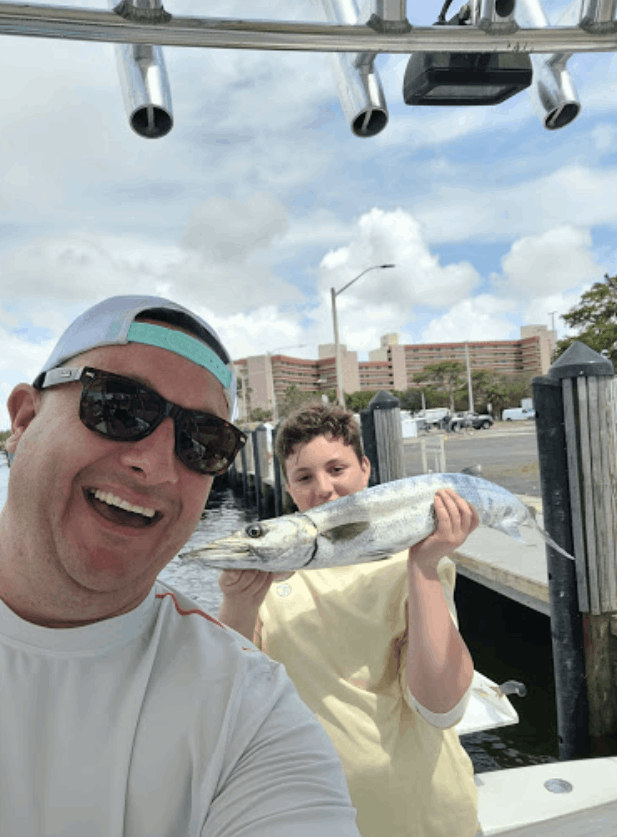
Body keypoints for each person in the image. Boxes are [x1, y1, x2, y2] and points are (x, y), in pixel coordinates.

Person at [0, 296, 362, 837]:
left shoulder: (246, 707)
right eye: (120, 408)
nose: (156, 466)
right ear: (26, 420)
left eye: (202, 441)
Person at [218, 402, 480, 837]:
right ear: (288, 487)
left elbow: (441, 707)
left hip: (426, 818)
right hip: (311, 821)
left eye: (337, 469)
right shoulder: (266, 576)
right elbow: (226, 704)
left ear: (365, 469)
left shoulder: (412, 563)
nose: (323, 489)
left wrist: (425, 567)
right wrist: (238, 602)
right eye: (304, 477)